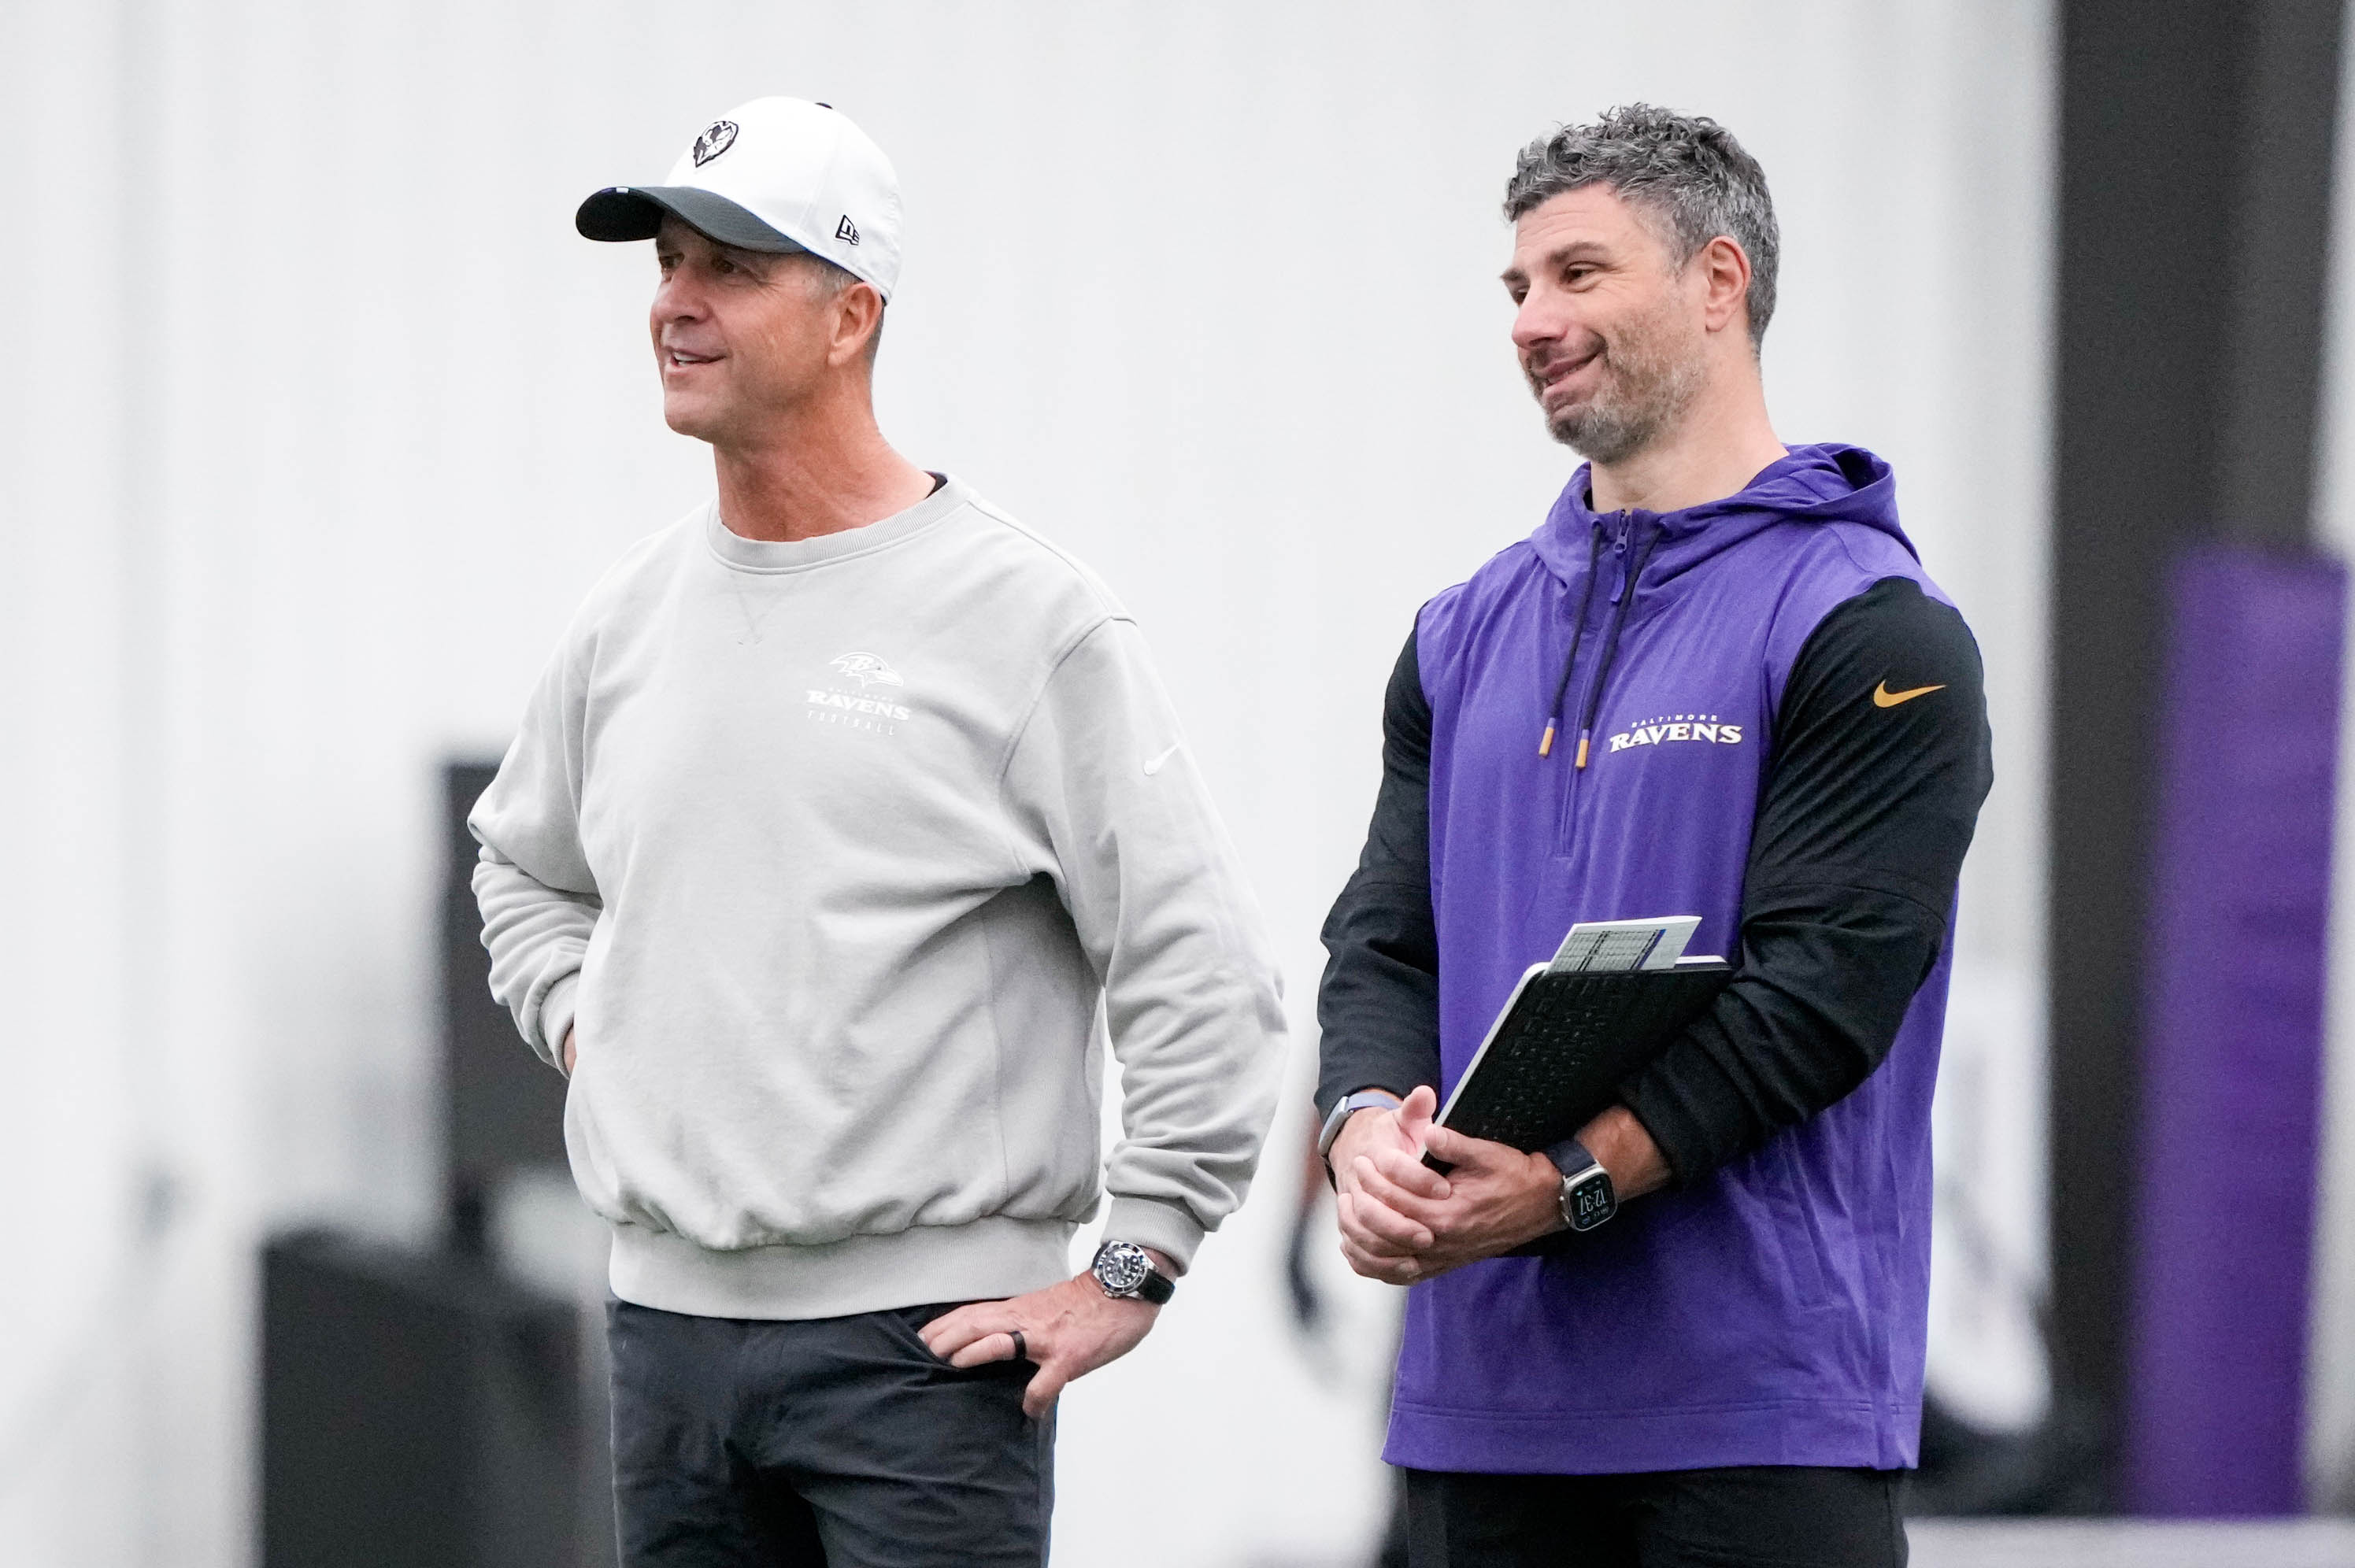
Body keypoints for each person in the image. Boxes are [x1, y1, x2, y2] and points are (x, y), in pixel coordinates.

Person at [470, 96, 1285, 1567]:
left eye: (730, 268)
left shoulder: (1029, 621)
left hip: (929, 1360)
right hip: (665, 1345)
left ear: (851, 316)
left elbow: (1203, 972)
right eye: (667, 263)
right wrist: (598, 1028)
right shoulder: (624, 621)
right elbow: (523, 870)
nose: (676, 303)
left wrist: (1133, 1262)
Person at [1316, 105, 1993, 1568]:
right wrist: (1366, 1129)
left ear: (1717, 282)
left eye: (1579, 273)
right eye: (1518, 286)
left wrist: (1564, 1185)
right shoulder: (1460, 633)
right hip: (1483, 1415)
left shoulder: (1872, 625)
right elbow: (1383, 942)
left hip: (1762, 1414)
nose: (1531, 320)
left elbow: (1822, 997)